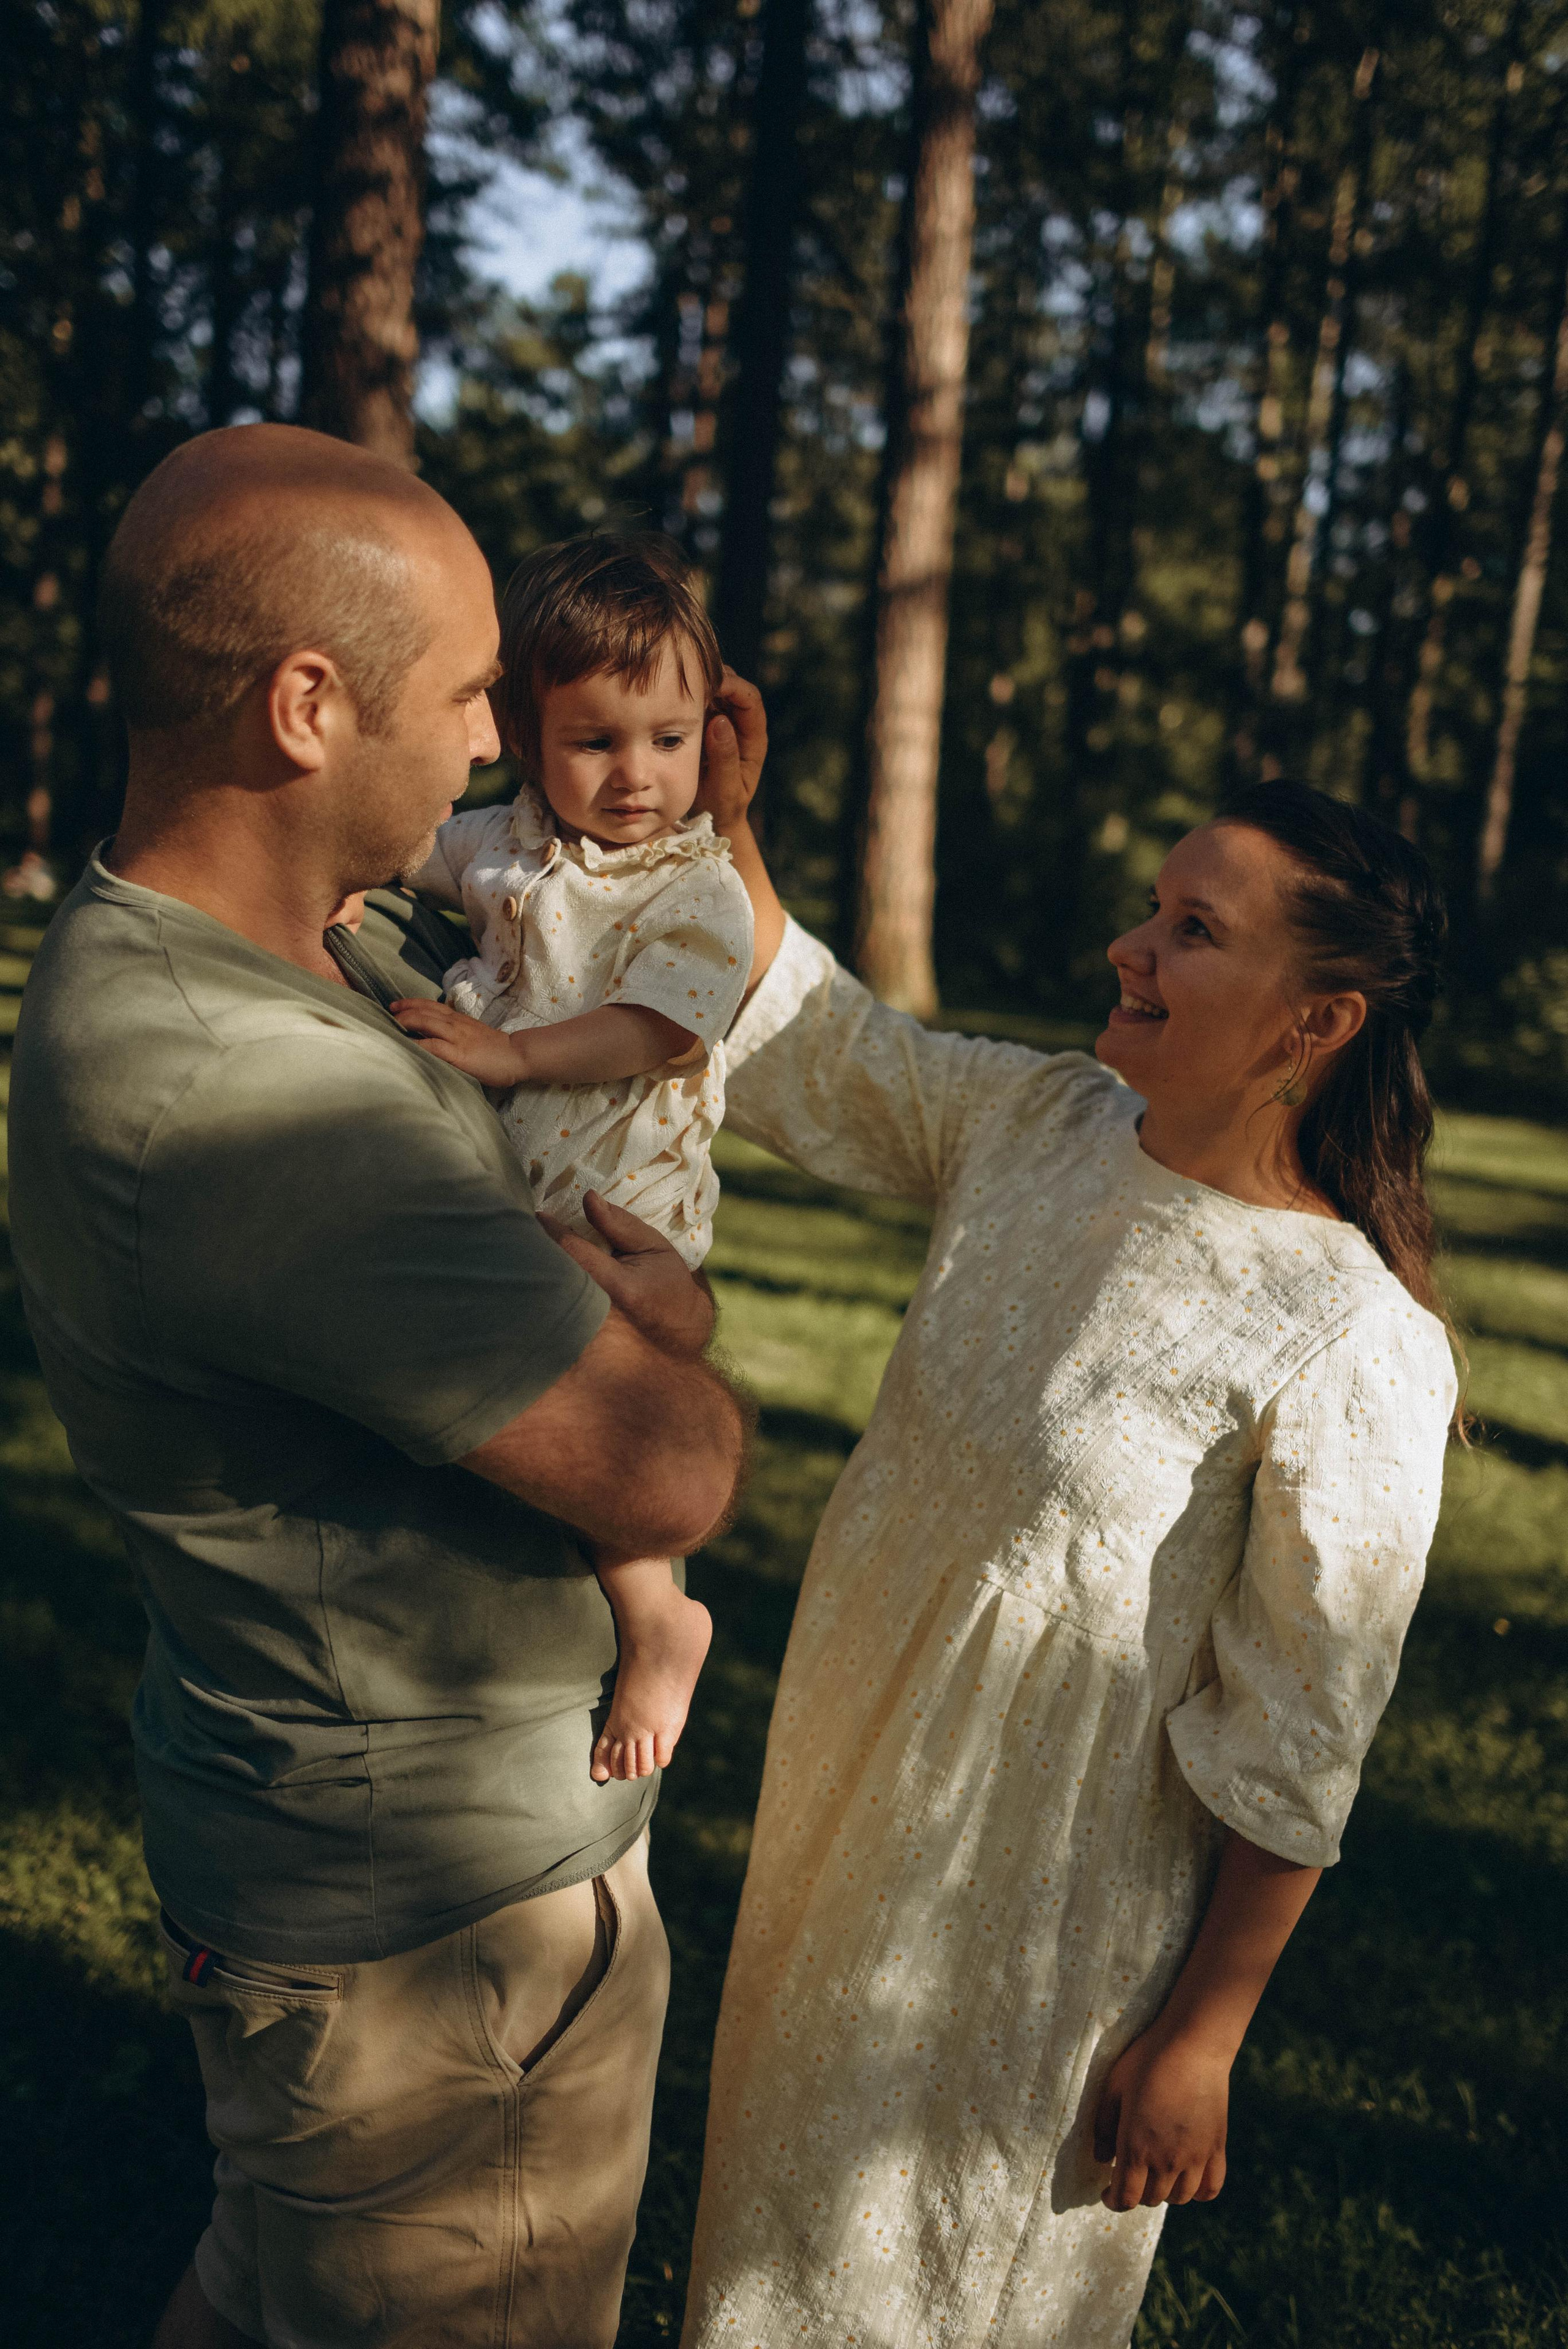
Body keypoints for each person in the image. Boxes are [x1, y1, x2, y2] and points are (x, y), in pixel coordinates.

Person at [7, 422, 750, 2349]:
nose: (498, 743)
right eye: (471, 692)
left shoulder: (275, 953)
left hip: (319, 1855)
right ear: (308, 704)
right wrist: (671, 1329)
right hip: (443, 1948)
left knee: (274, 2283)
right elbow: (665, 1473)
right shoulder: (256, 1093)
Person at [682, 754, 1458, 2347]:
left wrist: (1201, 2037)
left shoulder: (1348, 1333)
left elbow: (1297, 1743)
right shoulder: (1043, 1121)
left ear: (1317, 1025)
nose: (1133, 947)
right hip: (841, 1826)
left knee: (932, 2288)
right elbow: (827, 1043)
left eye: (1194, 928)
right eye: (1152, 911)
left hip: (1035, 1926)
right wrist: (726, 824)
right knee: (766, 2278)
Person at [388, 532, 757, 1785]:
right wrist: (340, 880)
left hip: (620, 1195)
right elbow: (407, 850)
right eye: (596, 741)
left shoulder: (694, 888)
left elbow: (657, 1026)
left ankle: (659, 1617)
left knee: (620, 1423)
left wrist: (516, 1058)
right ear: (528, 732)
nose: (636, 775)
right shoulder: (509, 837)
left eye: (667, 738)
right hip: (511, 1169)